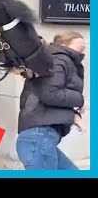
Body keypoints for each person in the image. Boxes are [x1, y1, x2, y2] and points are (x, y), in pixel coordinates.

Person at [16, 31, 86, 170]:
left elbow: (48, 95)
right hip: (39, 137)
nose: (82, 53)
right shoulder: (59, 59)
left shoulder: (56, 59)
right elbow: (50, 93)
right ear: (64, 44)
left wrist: (73, 116)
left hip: (40, 138)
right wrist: (79, 102)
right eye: (79, 48)